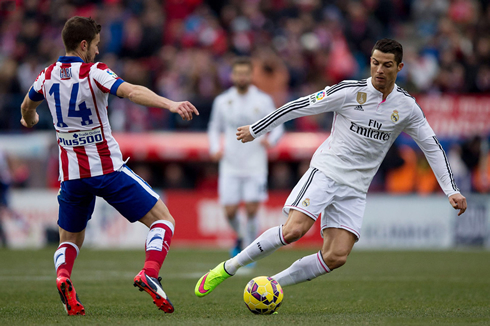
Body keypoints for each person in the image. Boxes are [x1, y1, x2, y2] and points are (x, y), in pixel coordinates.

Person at [195, 39, 467, 298]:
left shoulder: (406, 107)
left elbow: (431, 146)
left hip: (356, 187)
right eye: (375, 63)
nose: (379, 70)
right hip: (327, 171)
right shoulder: (349, 91)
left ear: (399, 68)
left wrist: (450, 190)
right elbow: (298, 106)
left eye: (386, 65)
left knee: (336, 256)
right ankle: (227, 268)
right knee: (293, 231)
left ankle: (270, 285)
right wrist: (257, 129)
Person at [20, 16, 199, 315]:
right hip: (107, 170)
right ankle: (150, 273)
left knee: (70, 238)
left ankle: (63, 277)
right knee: (163, 220)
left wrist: (31, 118)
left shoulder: (46, 76)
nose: (98, 52)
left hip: (72, 176)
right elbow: (130, 91)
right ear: (83, 45)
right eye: (96, 46)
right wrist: (170, 104)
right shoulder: (95, 72)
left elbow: (27, 106)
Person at [208, 57, 284, 257]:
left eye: (245, 73)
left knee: (251, 209)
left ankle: (249, 250)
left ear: (251, 75)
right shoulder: (222, 101)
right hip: (230, 164)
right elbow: (214, 128)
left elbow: (278, 125)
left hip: (255, 163)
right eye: (238, 73)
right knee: (230, 212)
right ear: (233, 76)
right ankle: (241, 237)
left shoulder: (263, 100)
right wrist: (215, 147)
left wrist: (271, 140)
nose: (242, 77)